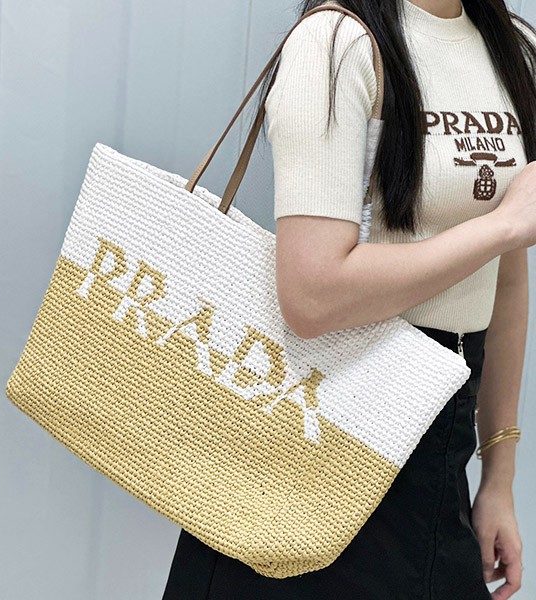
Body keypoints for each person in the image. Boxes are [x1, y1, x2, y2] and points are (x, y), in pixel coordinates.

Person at [162, 1, 536, 598]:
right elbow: (312, 295)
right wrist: (500, 228)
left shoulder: (512, 49)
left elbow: (506, 277)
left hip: (439, 443)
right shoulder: (337, 43)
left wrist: (498, 476)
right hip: (310, 443)